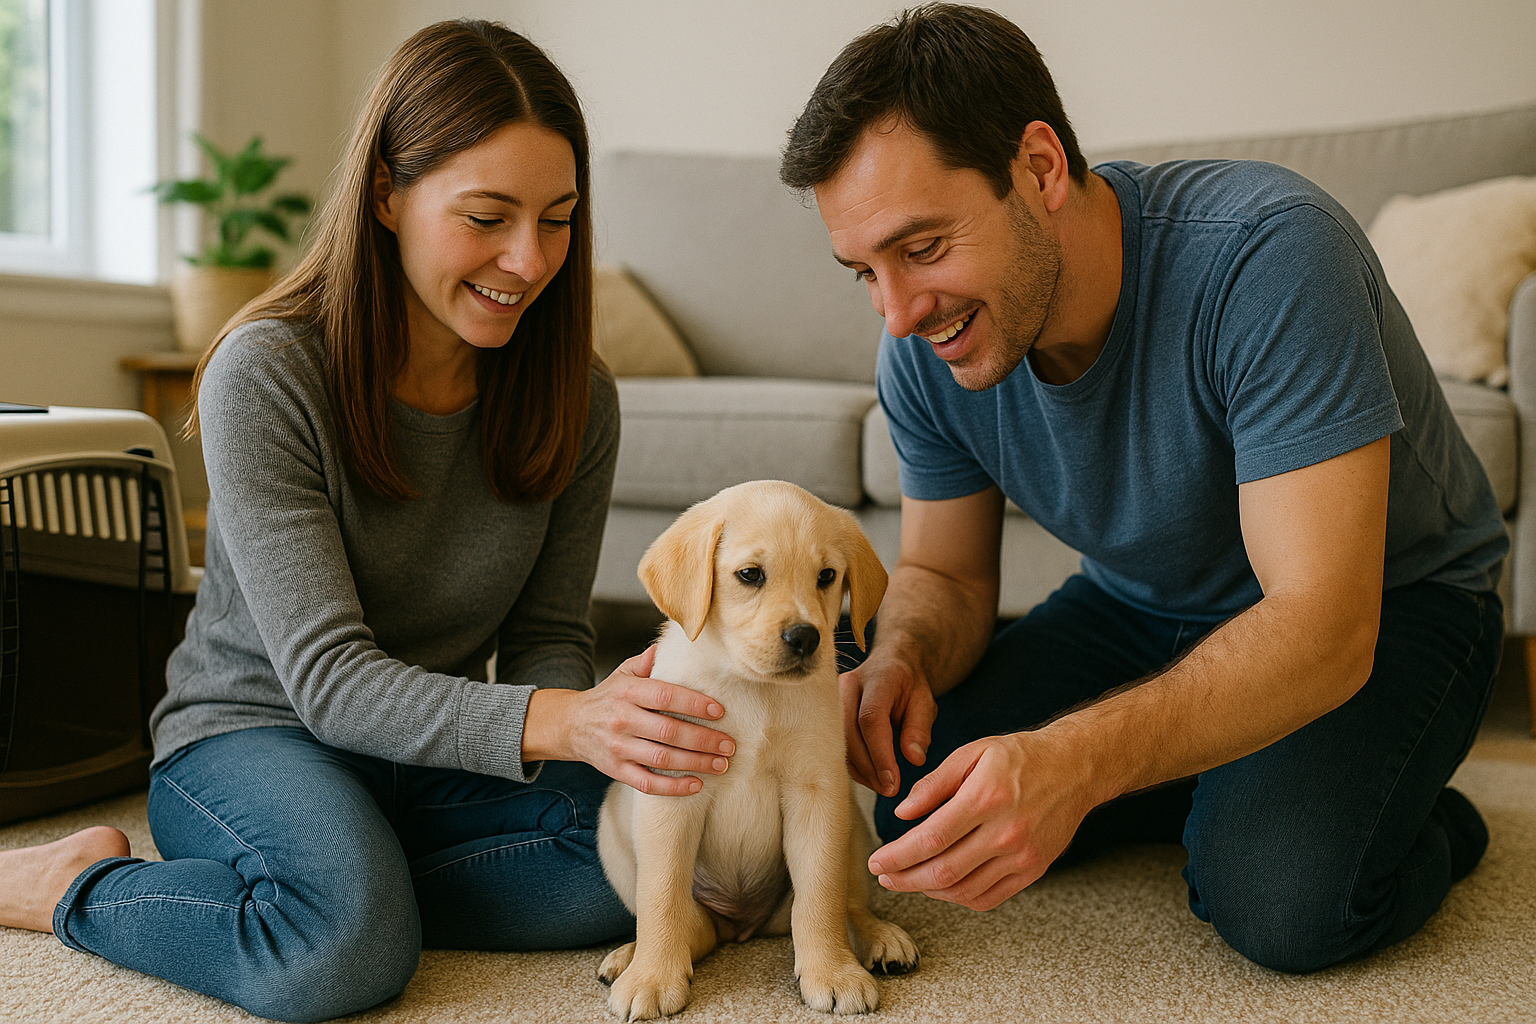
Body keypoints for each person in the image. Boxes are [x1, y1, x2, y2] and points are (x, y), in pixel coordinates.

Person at [0, 20, 737, 1022]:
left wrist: (614, 740)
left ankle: (345, 885)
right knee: (338, 958)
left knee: (659, 858)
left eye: (557, 220)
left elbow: (546, 639)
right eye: (488, 216)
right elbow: (328, 681)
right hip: (253, 734)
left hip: (428, 758)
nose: (528, 259)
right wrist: (566, 722)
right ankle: (72, 888)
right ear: (388, 193)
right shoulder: (266, 371)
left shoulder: (578, 396)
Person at [780, 4, 1507, 973]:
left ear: (1039, 169)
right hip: (1140, 606)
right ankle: (1224, 773)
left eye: (921, 247)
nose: (900, 311)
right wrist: (899, 654)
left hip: (1391, 607)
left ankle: (1416, 817)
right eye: (861, 271)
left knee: (1277, 894)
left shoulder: (1270, 254)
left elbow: (1325, 624)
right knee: (913, 777)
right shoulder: (921, 345)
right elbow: (945, 577)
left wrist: (1075, 760)